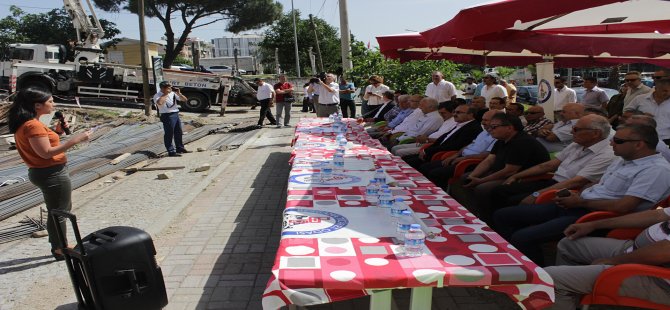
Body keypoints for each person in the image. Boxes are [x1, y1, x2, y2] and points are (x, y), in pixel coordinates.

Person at [493, 123, 670, 266]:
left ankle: (534, 277)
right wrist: (575, 195)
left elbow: (625, 206)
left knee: (522, 237)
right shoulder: (626, 160)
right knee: (503, 215)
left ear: (639, 144)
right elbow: (598, 184)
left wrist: (580, 202)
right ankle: (513, 261)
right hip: (578, 205)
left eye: (617, 140)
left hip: (595, 216)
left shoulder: (655, 170)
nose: (611, 143)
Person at [8, 88, 91, 261]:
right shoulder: (33, 125)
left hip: (44, 171)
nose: (53, 104)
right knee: (60, 212)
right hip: (51, 173)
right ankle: (60, 248)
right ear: (37, 105)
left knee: (58, 210)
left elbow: (41, 146)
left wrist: (58, 132)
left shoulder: (30, 123)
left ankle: (58, 245)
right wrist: (75, 140)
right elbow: (46, 153)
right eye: (50, 101)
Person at [545, 208, 670, 309]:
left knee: (550, 278)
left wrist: (614, 261)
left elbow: (665, 251)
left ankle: (565, 288)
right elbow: (658, 215)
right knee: (568, 245)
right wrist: (594, 224)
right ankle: (570, 296)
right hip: (635, 251)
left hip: (657, 278)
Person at [490, 114, 615, 209]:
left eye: (576, 129)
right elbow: (549, 165)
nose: (572, 132)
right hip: (551, 182)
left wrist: (536, 195)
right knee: (499, 191)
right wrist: (516, 176)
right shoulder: (577, 144)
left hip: (566, 191)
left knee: (511, 203)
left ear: (595, 134)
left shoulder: (606, 154)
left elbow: (575, 182)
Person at [453, 113, 550, 223]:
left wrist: (481, 180)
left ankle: (487, 220)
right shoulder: (501, 140)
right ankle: (472, 212)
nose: (490, 129)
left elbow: (509, 170)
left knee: (482, 188)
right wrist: (473, 176)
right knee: (466, 178)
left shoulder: (522, 142)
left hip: (522, 177)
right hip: (502, 173)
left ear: (509, 128)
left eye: (494, 127)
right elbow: (489, 160)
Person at [425, 110, 500, 188]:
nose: (482, 122)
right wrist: (456, 154)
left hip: (471, 162)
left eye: (486, 120)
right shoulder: (484, 132)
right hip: (462, 157)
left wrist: (464, 158)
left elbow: (486, 155)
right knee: (426, 166)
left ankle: (439, 196)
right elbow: (471, 144)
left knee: (435, 173)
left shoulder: (497, 136)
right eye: (482, 119)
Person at [391, 101, 458, 157]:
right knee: (395, 148)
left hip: (432, 145)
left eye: (443, 113)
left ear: (452, 112)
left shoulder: (451, 122)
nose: (441, 115)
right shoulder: (446, 120)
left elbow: (444, 140)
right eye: (440, 113)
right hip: (425, 141)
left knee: (399, 152)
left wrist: (426, 139)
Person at [626, 77, 670, 145]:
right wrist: (640, 115)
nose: (668, 93)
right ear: (656, 89)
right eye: (665, 91)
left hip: (666, 140)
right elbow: (626, 113)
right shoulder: (640, 99)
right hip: (641, 138)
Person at [154, 81, 191, 157]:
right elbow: (160, 103)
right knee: (169, 134)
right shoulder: (157, 95)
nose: (169, 88)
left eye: (170, 87)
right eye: (167, 87)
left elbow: (185, 99)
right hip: (167, 115)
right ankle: (171, 151)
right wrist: (165, 94)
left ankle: (180, 148)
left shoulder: (173, 93)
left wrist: (179, 94)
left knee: (178, 132)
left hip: (175, 114)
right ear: (162, 88)